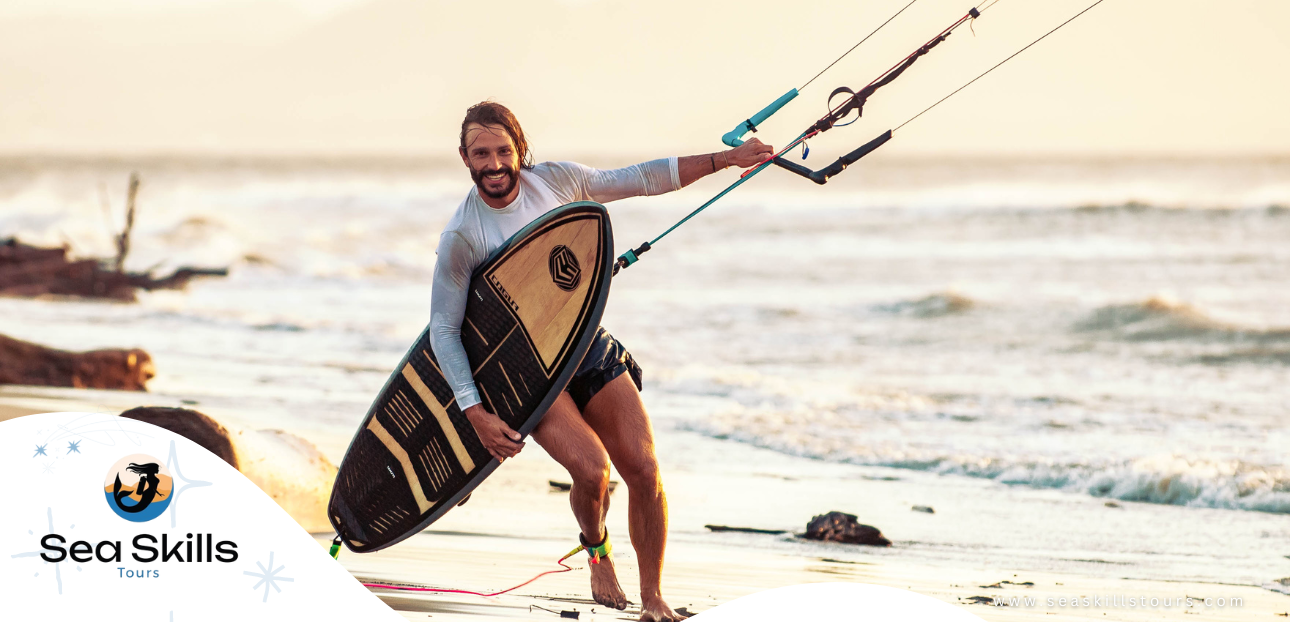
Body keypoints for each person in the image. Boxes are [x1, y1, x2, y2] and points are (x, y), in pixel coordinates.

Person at [430, 101, 772, 622]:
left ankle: (653, 599)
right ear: (465, 157)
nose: (495, 164)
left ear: (520, 149)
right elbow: (445, 330)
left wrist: (726, 161)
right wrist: (474, 411)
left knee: (644, 469)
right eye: (482, 154)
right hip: (531, 370)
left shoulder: (558, 182)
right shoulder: (463, 236)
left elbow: (640, 178)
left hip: (585, 343)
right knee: (592, 471)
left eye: (504, 150)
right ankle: (596, 550)